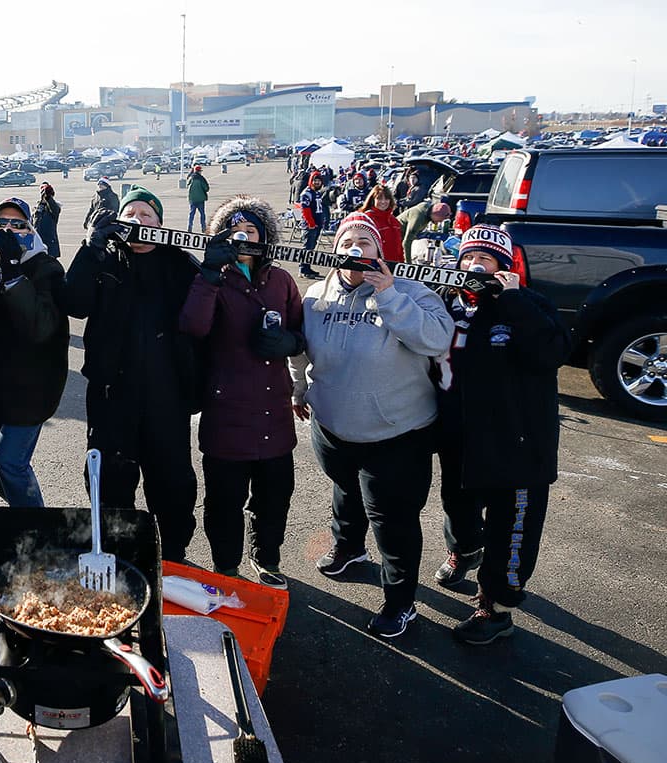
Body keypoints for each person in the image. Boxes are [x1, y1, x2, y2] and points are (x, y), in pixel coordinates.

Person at [289, 212, 453, 638]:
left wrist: (389, 295)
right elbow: (301, 349)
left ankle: (401, 603)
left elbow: (436, 339)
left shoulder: (413, 293)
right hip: (333, 425)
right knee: (345, 489)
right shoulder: (316, 295)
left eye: (366, 240)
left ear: (381, 251)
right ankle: (349, 549)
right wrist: (298, 389)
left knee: (393, 520)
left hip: (397, 434)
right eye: (348, 240)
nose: (356, 248)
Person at [432, 225, 571, 644]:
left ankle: (495, 606)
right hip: (459, 434)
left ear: (505, 268)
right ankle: (464, 550)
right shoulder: (445, 302)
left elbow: (553, 352)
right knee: (458, 504)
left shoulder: (528, 304)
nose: (476, 266)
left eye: (488, 260)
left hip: (517, 442)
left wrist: (511, 298)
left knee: (511, 528)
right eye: (469, 258)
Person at [61, 186, 200, 562]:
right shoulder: (104, 258)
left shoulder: (181, 265)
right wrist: (89, 249)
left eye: (147, 215)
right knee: (110, 477)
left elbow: (206, 319)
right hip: (112, 393)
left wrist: (216, 272)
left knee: (170, 478)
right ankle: (116, 549)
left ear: (160, 224)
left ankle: (171, 551)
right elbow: (73, 302)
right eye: (131, 214)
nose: (138, 221)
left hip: (165, 395)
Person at [179, 196, 305, 587]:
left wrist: (289, 342)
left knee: (274, 496)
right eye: (235, 233)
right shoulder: (211, 278)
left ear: (264, 236)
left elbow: (302, 332)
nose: (244, 238)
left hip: (274, 413)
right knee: (224, 501)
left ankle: (267, 557)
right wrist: (210, 275)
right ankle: (227, 565)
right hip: (227, 413)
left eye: (251, 231)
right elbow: (194, 325)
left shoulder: (281, 280)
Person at [0, 197, 69, 507]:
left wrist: (14, 271)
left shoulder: (46, 269)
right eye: (1, 223)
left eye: (18, 224)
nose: (9, 229)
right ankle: (22, 513)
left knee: (9, 460)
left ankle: (37, 526)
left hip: (33, 386)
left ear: (31, 230)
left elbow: (42, 326)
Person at [359, 184, 404, 263]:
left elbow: (399, 248)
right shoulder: (366, 219)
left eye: (386, 198)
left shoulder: (394, 221)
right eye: (379, 198)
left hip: (393, 267)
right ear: (373, 200)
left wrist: (401, 265)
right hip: (373, 268)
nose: (383, 202)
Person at [297, 171, 327, 280]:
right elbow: (305, 210)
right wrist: (311, 223)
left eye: (319, 180)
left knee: (311, 247)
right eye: (315, 180)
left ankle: (308, 267)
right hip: (310, 225)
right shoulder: (307, 193)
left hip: (317, 224)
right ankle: (303, 269)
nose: (317, 182)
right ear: (311, 181)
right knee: (307, 247)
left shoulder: (317, 193)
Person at [33, 182, 61, 259]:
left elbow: (53, 207)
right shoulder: (38, 207)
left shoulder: (54, 207)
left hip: (49, 240)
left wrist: (48, 197)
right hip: (38, 240)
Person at [186, 165, 210, 232]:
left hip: (192, 199)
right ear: (199, 171)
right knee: (202, 214)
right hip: (200, 199)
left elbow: (187, 186)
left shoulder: (191, 178)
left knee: (191, 214)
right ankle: (203, 228)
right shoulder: (201, 179)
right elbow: (206, 188)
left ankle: (189, 227)